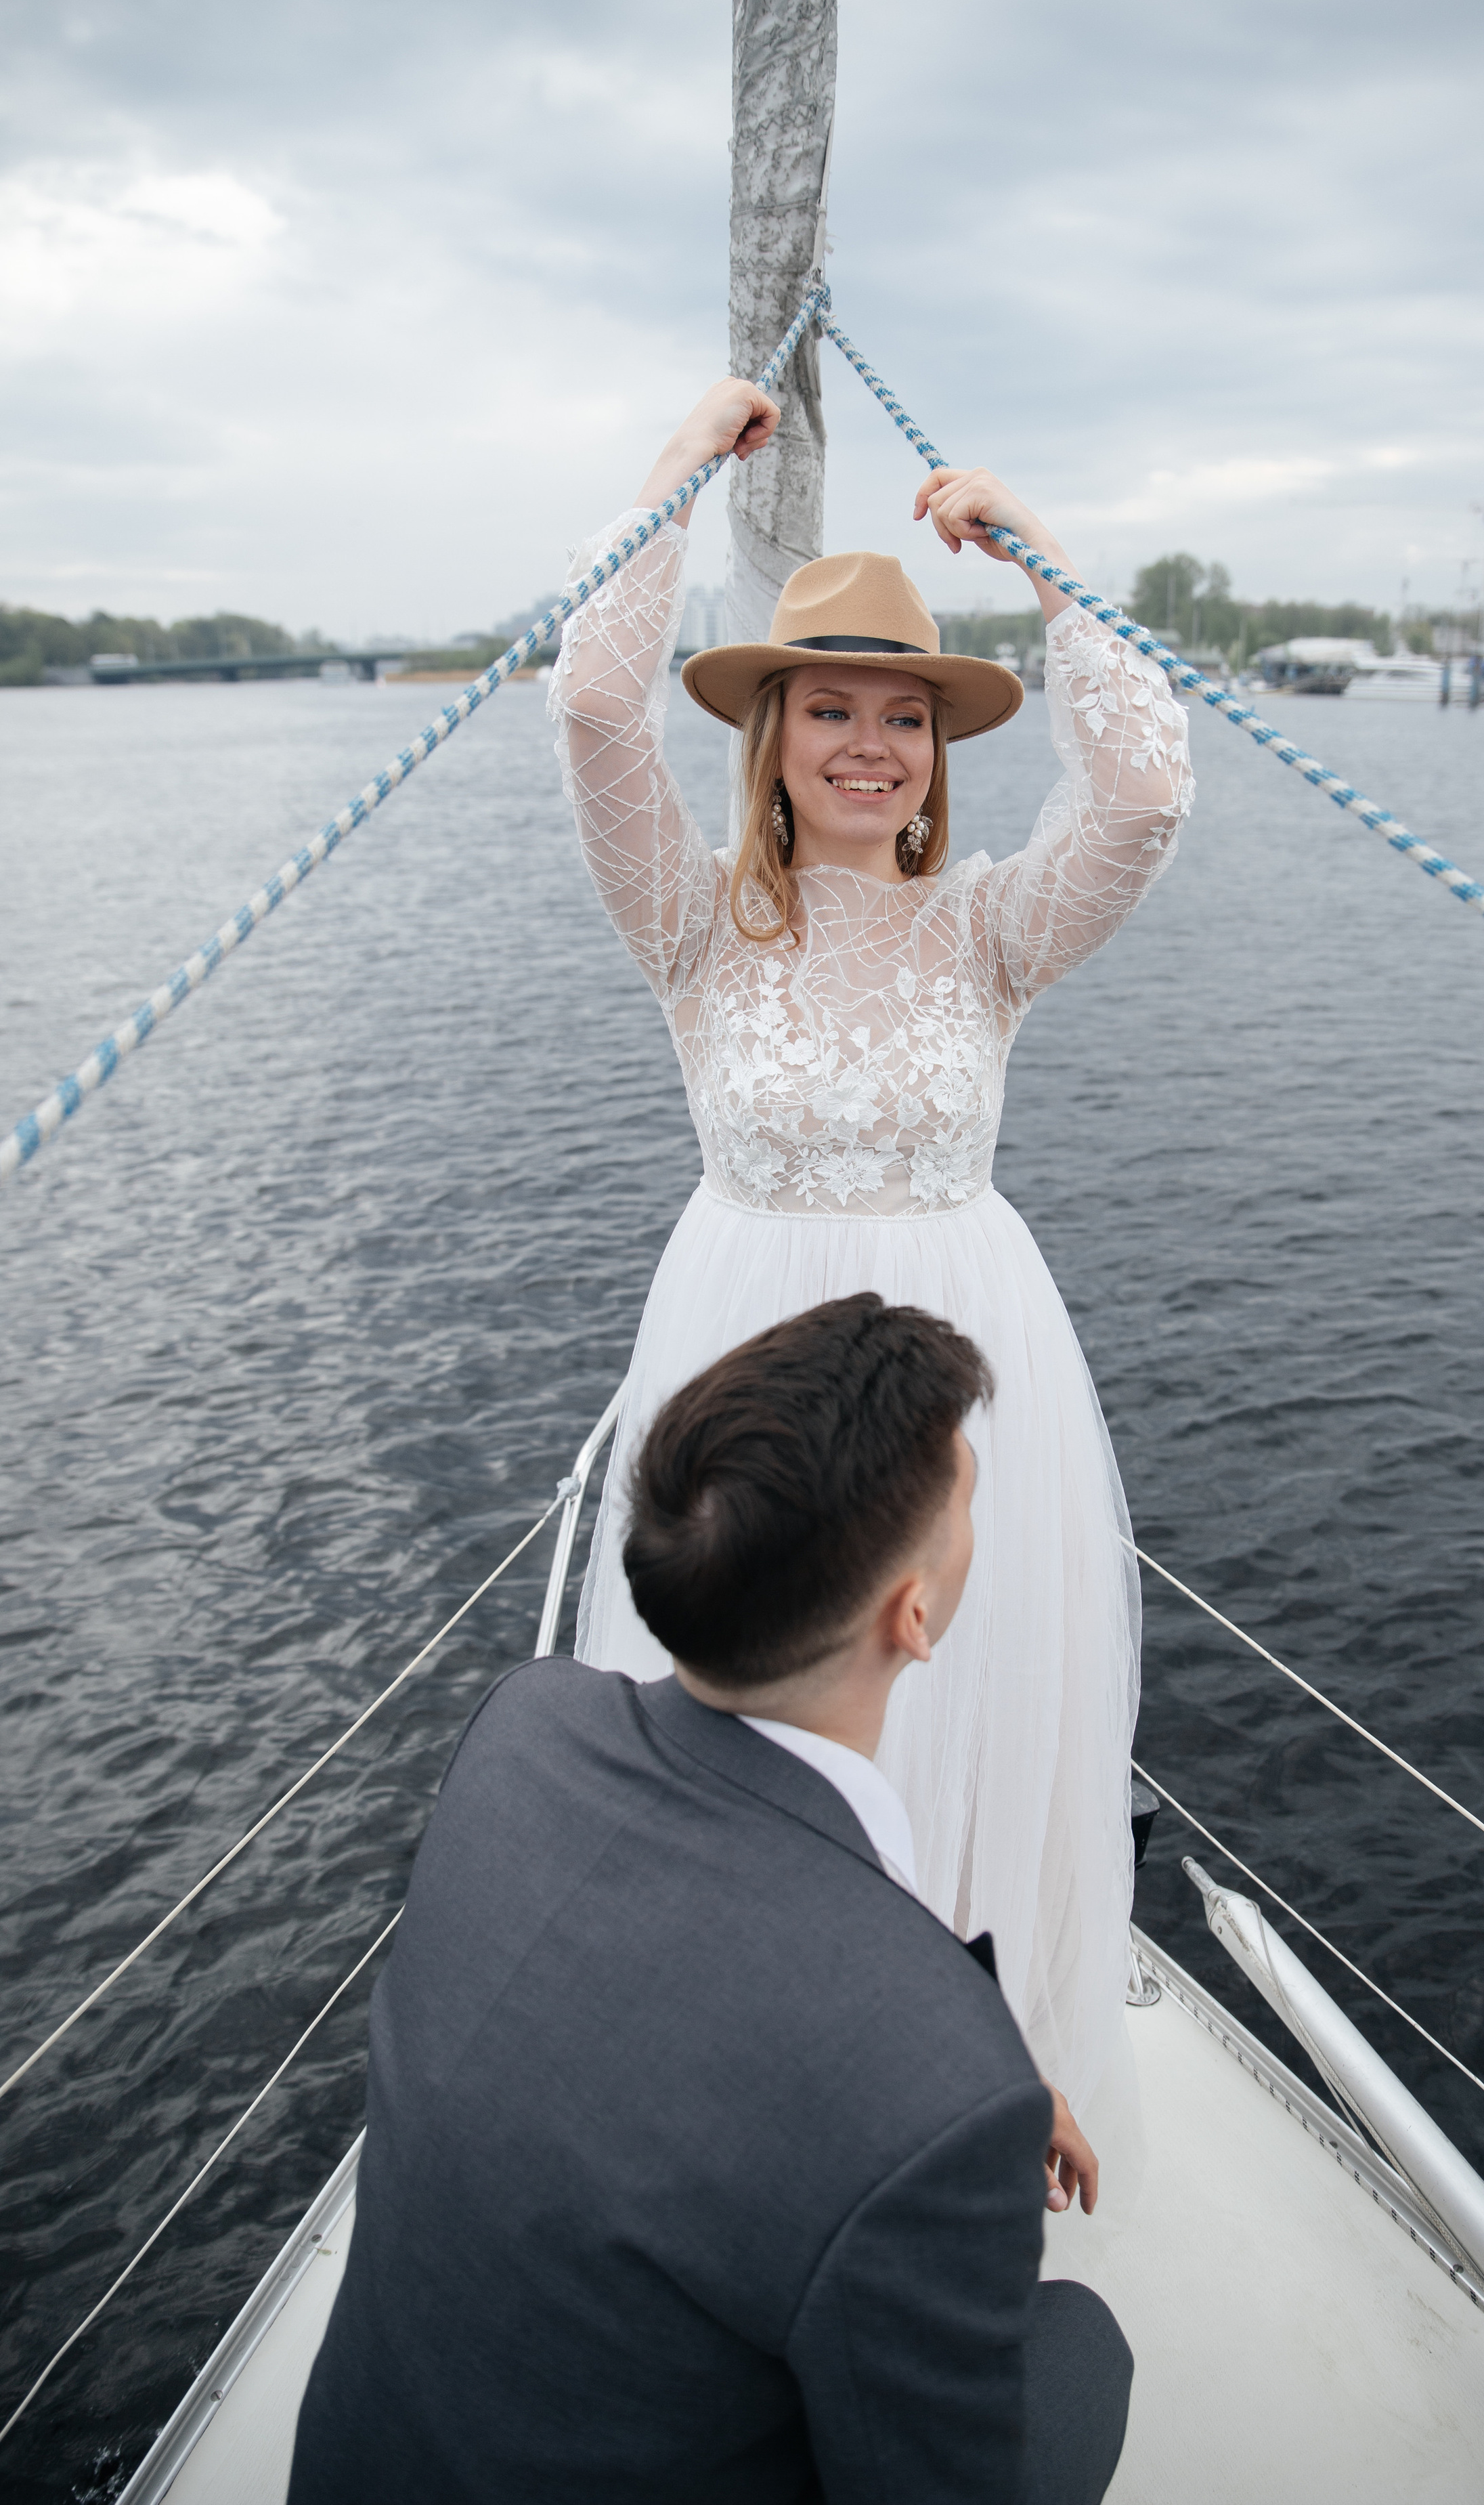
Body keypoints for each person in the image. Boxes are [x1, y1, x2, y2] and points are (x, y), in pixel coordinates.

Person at [550, 377, 1194, 2113]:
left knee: (971, 1714)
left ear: (933, 748)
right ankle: (760, 2092)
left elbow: (1137, 802)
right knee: (750, 1731)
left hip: (965, 1388)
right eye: (825, 708)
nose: (864, 744)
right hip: (745, 1367)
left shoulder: (991, 928)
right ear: (769, 736)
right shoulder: (692, 922)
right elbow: (598, 712)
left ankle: (967, 2085)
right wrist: (676, 476)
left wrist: (1050, 564)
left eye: (899, 717)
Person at [288, 1296, 1134, 2504]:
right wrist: (962, 2085)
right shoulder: (939, 2100)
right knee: (1084, 2348)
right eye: (967, 1497)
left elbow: (697, 1973)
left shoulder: (525, 1727)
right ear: (916, 1614)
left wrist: (954, 2054)